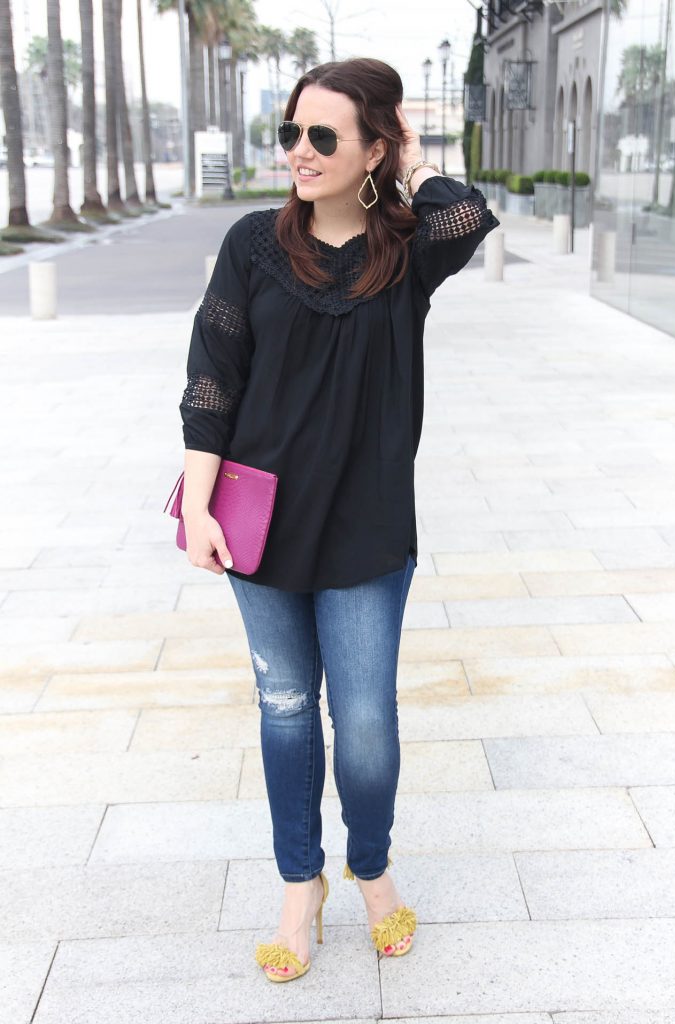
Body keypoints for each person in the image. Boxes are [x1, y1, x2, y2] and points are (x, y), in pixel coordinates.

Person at [178, 57, 499, 983]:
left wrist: (409, 161)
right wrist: (197, 507)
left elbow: (467, 210)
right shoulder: (250, 244)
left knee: (360, 721)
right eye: (291, 133)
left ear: (373, 149)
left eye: (324, 136)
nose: (300, 152)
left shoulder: (408, 250)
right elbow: (212, 379)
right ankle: (297, 886)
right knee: (284, 711)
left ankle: (372, 866)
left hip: (364, 529)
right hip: (259, 527)